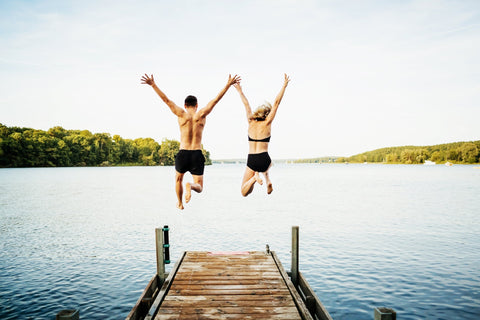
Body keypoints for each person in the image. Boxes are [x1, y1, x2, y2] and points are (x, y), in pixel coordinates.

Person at [141, 73, 241, 209]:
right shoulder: (202, 114)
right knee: (199, 187)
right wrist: (228, 85)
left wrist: (153, 85)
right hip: (196, 153)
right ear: (197, 105)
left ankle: (180, 203)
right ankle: (191, 186)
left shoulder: (181, 113)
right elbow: (216, 100)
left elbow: (166, 100)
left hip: (183, 153)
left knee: (178, 179)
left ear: (185, 105)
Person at [233, 74, 290, 197]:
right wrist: (284, 85)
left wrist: (239, 91)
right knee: (268, 163)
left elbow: (246, 104)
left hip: (252, 159)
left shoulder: (250, 121)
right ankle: (268, 180)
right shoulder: (267, 123)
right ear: (266, 114)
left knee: (244, 192)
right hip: (264, 158)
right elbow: (276, 103)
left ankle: (254, 179)